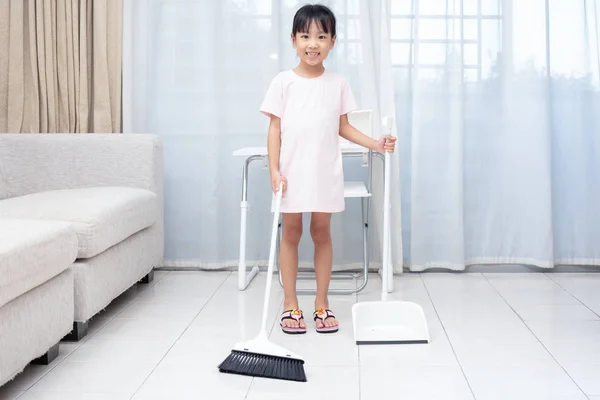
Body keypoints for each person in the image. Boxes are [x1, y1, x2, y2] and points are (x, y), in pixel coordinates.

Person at [259, 3, 396, 334]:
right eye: (305, 36)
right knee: (290, 233)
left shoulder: (338, 83)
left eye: (321, 36)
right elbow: (274, 130)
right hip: (291, 174)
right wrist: (273, 171)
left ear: (333, 41)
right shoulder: (282, 82)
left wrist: (375, 144)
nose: (313, 43)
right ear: (293, 40)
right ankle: (291, 304)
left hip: (323, 172)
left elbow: (343, 127)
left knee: (321, 233)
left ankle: (322, 303)